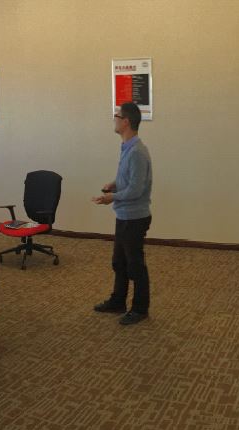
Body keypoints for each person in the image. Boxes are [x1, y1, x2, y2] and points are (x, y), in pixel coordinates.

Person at [92, 102, 153, 326]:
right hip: (125, 216)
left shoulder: (137, 151)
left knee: (135, 265)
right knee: (119, 262)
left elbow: (136, 190)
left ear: (125, 121)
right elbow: (128, 180)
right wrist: (114, 184)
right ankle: (118, 301)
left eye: (116, 116)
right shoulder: (127, 147)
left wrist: (112, 197)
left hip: (135, 218)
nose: (114, 119)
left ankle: (140, 309)